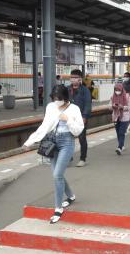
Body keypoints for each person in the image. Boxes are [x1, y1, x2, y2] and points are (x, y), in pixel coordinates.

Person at [23, 85, 84, 224]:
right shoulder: (51, 107)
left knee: (57, 175)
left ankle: (58, 208)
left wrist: (67, 119)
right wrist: (30, 141)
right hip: (52, 142)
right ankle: (71, 196)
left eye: (59, 98)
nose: (56, 101)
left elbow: (78, 130)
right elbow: (45, 126)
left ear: (65, 97)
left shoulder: (74, 109)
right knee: (58, 174)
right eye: (54, 98)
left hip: (67, 142)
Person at [68, 69, 92, 167]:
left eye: (75, 78)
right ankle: (68, 157)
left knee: (82, 138)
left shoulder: (85, 90)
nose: (73, 79)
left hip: (81, 118)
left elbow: (87, 104)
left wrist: (85, 116)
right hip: (68, 118)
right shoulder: (67, 89)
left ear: (80, 79)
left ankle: (83, 158)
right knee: (68, 138)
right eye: (72, 77)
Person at [110, 83, 130, 155]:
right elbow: (109, 106)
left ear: (122, 89)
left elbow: (129, 107)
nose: (117, 91)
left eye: (119, 90)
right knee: (118, 132)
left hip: (125, 117)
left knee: (121, 132)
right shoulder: (113, 96)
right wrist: (112, 106)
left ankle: (119, 147)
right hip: (116, 117)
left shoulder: (127, 96)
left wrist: (122, 107)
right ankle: (122, 145)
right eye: (116, 90)